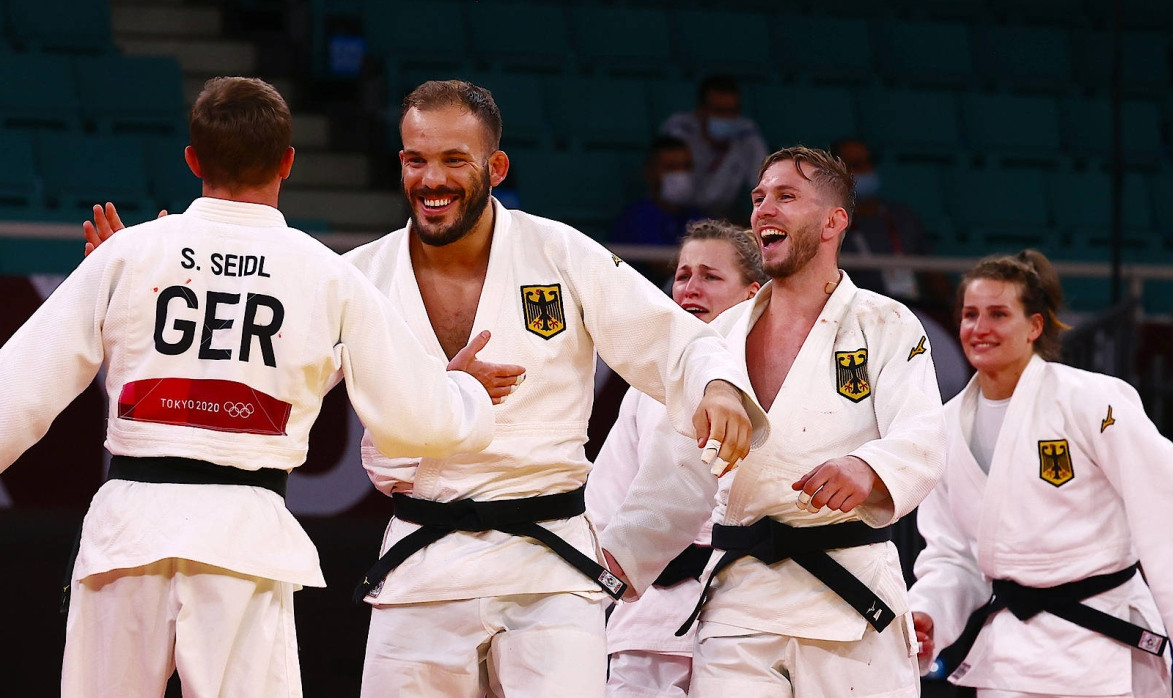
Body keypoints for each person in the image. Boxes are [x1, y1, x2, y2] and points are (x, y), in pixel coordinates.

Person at [85, 79, 767, 698]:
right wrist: (140, 293)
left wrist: (720, 386)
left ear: (495, 169)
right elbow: (251, 368)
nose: (431, 179)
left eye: (453, 160)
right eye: (415, 160)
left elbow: (676, 342)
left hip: (548, 568)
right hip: (421, 565)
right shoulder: (355, 276)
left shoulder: (562, 255)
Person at [11, 76, 500, 697]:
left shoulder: (128, 256)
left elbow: (17, 392)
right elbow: (417, 421)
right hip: (243, 540)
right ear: (288, 162)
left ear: (192, 160)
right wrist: (462, 393)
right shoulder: (325, 273)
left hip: (127, 532)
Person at [601, 146, 946, 697]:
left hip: (849, 595)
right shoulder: (717, 340)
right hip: (741, 604)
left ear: (835, 221)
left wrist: (869, 467)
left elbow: (924, 434)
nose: (765, 208)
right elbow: (678, 473)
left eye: (786, 196)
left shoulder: (886, 323)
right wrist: (610, 560)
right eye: (759, 197)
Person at [907, 250, 1173, 697]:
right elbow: (953, 556)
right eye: (970, 315)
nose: (979, 328)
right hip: (1011, 657)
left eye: (998, 314)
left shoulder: (1092, 402)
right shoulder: (944, 429)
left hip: (1104, 643)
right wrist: (928, 611)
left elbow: (1170, 511)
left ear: (1035, 326)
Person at [587, 219, 767, 697]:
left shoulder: (776, 380)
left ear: (752, 293)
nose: (690, 287)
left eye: (710, 276)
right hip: (644, 617)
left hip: (741, 613)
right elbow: (605, 503)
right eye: (683, 274)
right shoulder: (648, 387)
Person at [830, 137, 952, 316]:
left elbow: (933, 276)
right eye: (856, 164)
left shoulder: (902, 217)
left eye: (869, 162)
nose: (865, 170)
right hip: (858, 316)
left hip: (912, 311)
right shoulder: (829, 224)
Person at [659, 75, 768, 222]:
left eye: (732, 111)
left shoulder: (747, 135)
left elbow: (764, 183)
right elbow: (665, 185)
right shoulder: (680, 130)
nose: (726, 118)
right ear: (700, 111)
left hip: (721, 217)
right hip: (674, 214)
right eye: (719, 111)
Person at [610, 135, 706, 248]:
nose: (681, 174)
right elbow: (662, 264)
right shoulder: (638, 218)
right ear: (649, 172)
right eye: (671, 167)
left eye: (686, 166)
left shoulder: (698, 218)